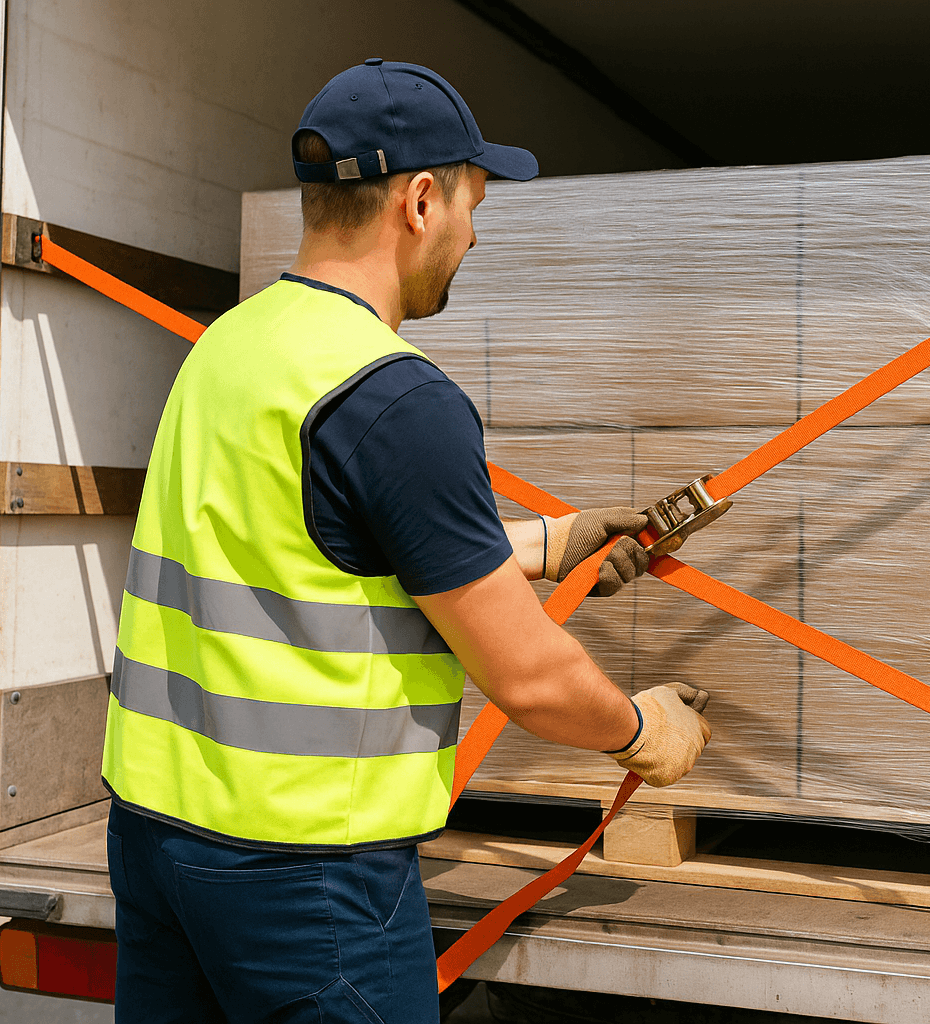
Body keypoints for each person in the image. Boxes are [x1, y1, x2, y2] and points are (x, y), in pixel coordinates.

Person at [99, 60, 713, 1023]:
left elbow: (294, 549)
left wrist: (547, 546)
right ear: (421, 201)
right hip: (304, 877)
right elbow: (531, 680)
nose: (473, 232)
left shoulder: (228, 345)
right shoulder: (398, 396)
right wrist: (646, 734)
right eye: (474, 204)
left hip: (155, 836)